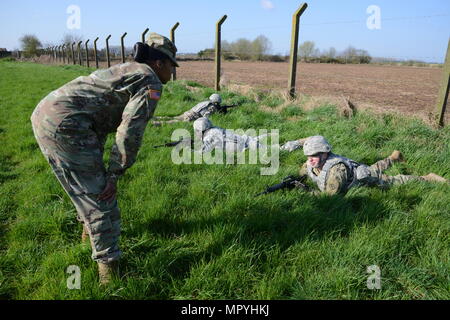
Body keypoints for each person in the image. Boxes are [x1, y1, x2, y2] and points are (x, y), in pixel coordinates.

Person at [30, 33, 178, 285]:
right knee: (101, 196)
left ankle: (87, 235)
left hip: (53, 115)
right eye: (172, 66)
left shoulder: (129, 69)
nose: (172, 72)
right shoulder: (150, 81)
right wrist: (114, 173)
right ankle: (108, 274)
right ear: (159, 63)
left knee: (89, 187)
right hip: (68, 125)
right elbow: (130, 131)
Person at [297, 135, 448, 195]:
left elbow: (329, 198)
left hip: (360, 179)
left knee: (391, 181)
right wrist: (295, 181)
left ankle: (428, 178)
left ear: (325, 153)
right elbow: (303, 172)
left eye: (315, 155)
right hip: (356, 171)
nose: (311, 159)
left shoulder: (336, 170)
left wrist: (307, 191)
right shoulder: (311, 162)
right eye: (309, 155)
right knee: (372, 168)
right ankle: (393, 158)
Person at [152, 93, 225, 126]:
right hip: (191, 116)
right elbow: (206, 115)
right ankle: (157, 123)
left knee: (174, 117)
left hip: (188, 112)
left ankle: (155, 118)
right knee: (175, 122)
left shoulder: (206, 102)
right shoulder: (211, 107)